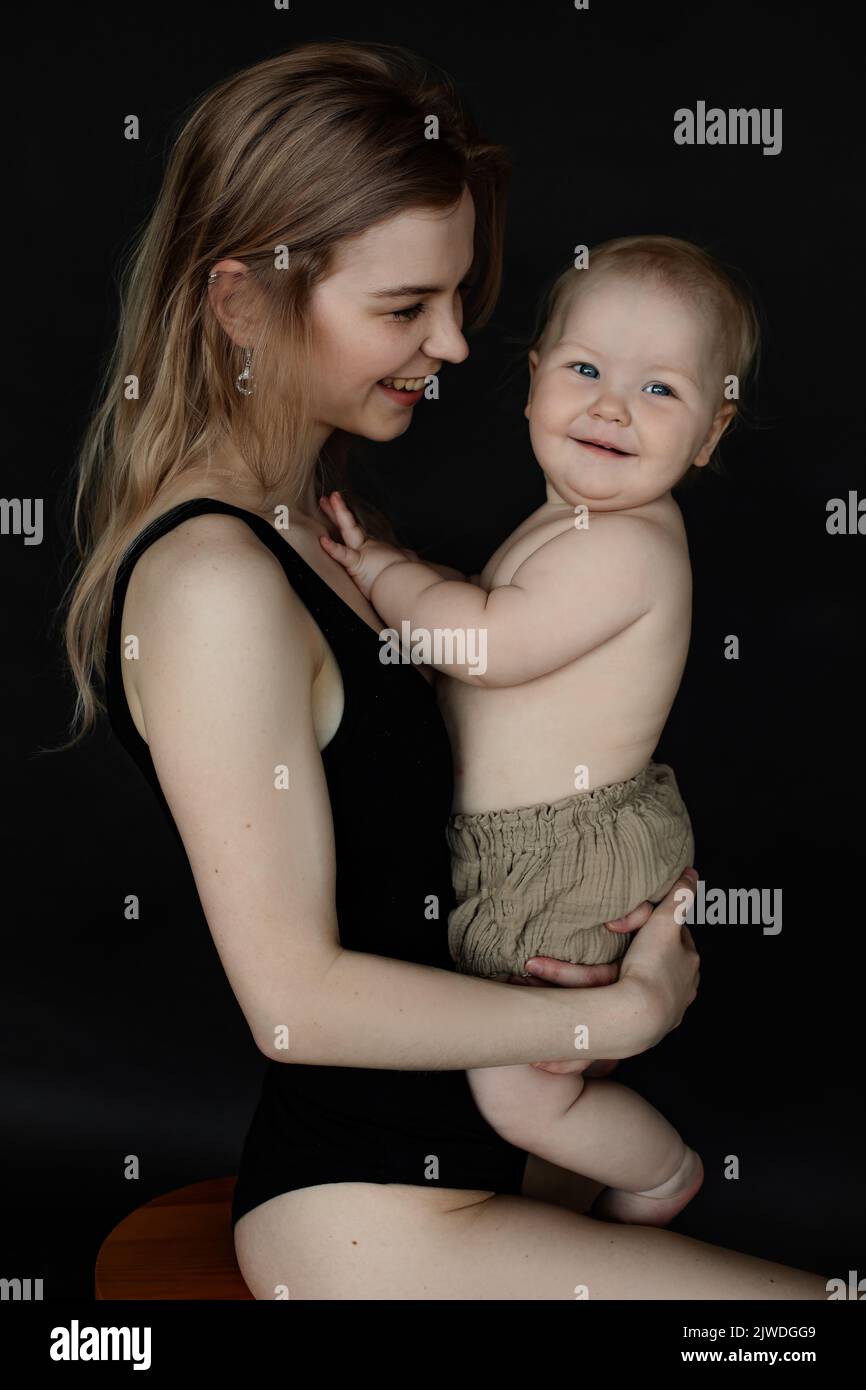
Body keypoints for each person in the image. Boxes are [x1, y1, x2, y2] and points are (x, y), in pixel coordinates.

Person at [60, 40, 827, 1298]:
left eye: (459, 299)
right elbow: (296, 1004)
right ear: (244, 301)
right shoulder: (210, 586)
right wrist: (612, 1017)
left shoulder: (311, 512)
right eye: (406, 307)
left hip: (509, 1162)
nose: (457, 346)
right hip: (380, 1214)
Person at [317, 233, 757, 1229]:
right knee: (526, 1064)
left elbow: (485, 645)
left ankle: (656, 1175)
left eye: (659, 391)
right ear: (531, 383)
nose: (610, 406)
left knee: (520, 1088)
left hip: (563, 853)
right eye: (586, 370)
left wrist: (382, 572)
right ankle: (557, 1218)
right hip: (550, 840)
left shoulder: (625, 547)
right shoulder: (569, 525)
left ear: (708, 433)